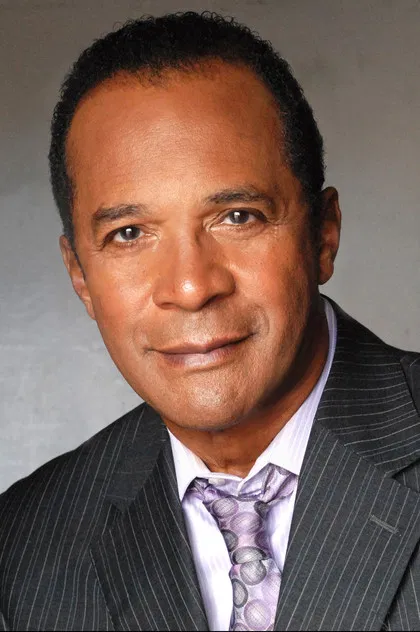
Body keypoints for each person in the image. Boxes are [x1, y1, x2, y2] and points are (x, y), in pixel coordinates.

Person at [0, 10, 419, 632]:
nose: (192, 288)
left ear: (323, 235)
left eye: (238, 217)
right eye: (129, 233)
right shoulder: (25, 548)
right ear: (80, 276)